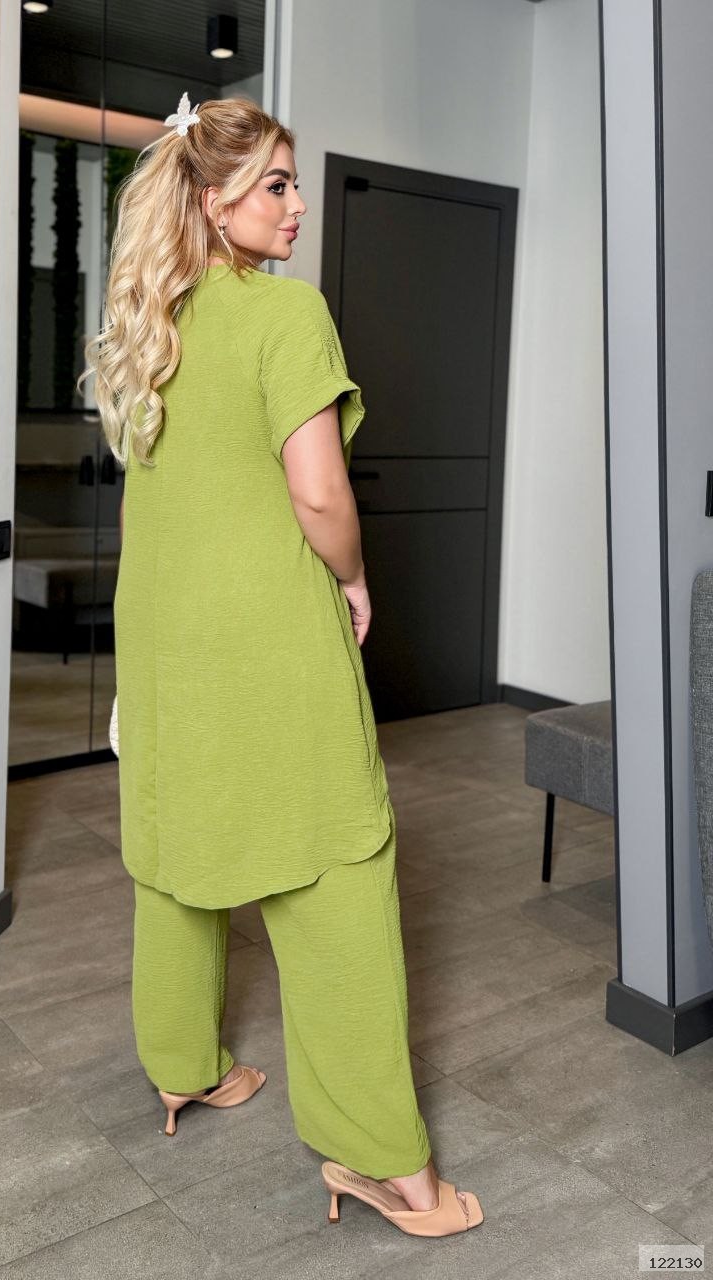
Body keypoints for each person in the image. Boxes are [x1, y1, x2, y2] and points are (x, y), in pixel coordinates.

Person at [78, 93, 483, 1238]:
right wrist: (354, 577)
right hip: (263, 636)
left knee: (176, 847)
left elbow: (157, 502)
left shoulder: (149, 323)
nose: (298, 205)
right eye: (276, 185)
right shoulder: (285, 314)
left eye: (296, 183)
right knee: (339, 866)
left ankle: (183, 1067)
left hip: (162, 635)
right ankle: (384, 1162)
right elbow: (319, 492)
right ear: (215, 202)